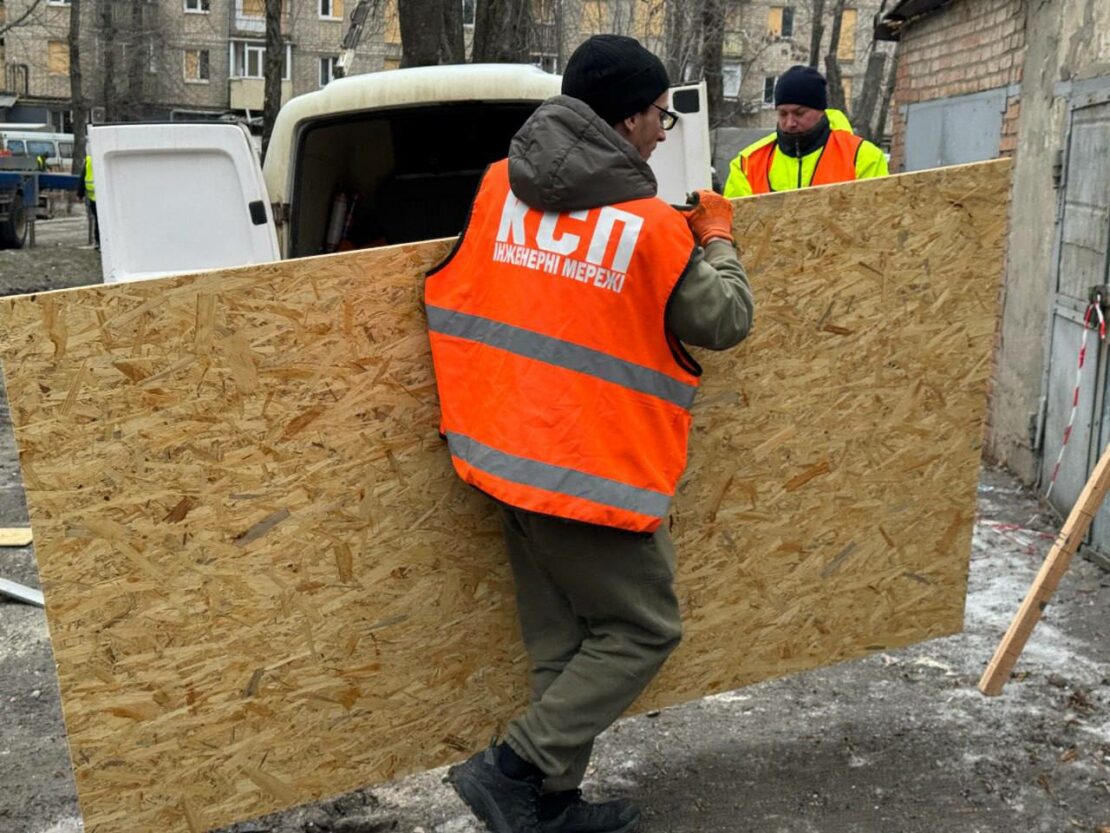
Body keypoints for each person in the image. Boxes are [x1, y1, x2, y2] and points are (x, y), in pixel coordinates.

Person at [424, 34, 754, 833]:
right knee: (645, 628)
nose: (660, 132)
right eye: (660, 117)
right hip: (587, 471)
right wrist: (717, 238)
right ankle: (512, 770)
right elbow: (727, 319)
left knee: (560, 639)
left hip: (497, 451)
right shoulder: (649, 227)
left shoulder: (498, 185)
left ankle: (549, 803)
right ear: (628, 118)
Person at [723, 65, 888, 198]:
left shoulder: (864, 158)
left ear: (820, 110)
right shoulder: (748, 163)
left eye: (799, 113)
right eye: (782, 113)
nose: (790, 123)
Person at [75, 152, 99, 249]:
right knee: (101, 221)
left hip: (93, 195)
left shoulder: (89, 159)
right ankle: (101, 242)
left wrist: (79, 194)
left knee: (98, 220)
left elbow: (82, 177)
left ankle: (98, 242)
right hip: (103, 194)